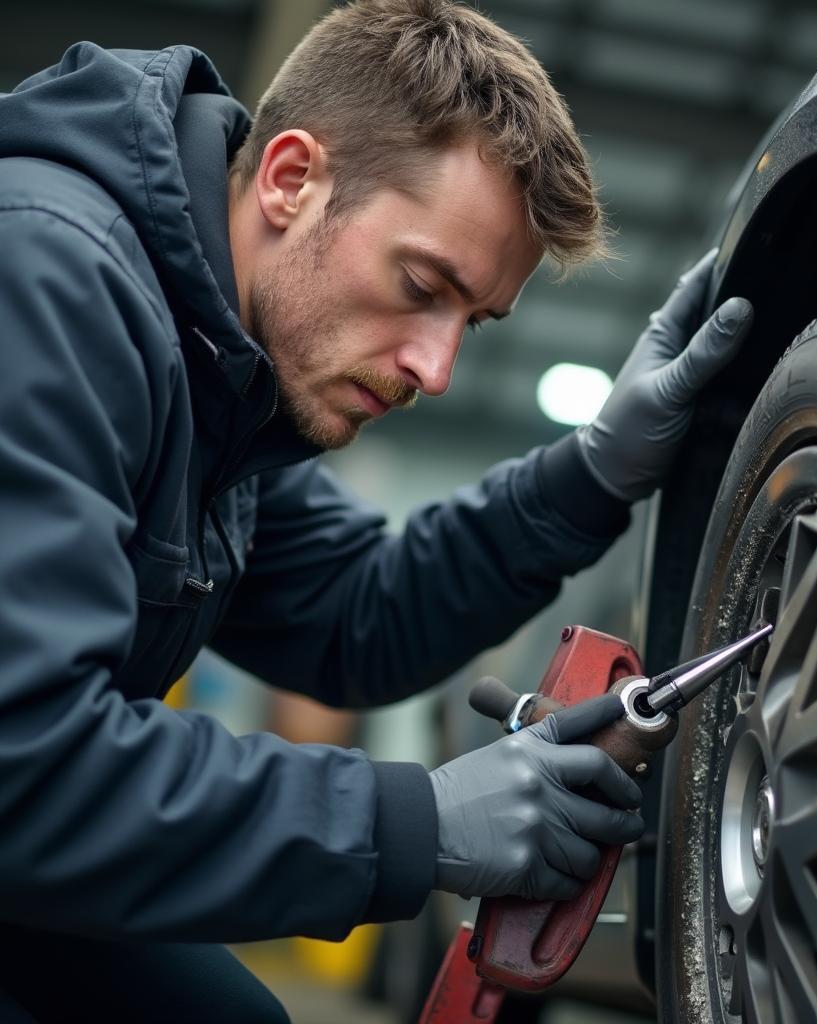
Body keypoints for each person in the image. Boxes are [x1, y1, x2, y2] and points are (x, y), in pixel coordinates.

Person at [0, 0, 753, 1019]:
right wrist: (418, 820)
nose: (436, 369)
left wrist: (592, 471)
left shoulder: (223, 381)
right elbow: (25, 757)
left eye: (470, 322)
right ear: (291, 179)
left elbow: (355, 614)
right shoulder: (49, 282)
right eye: (419, 283)